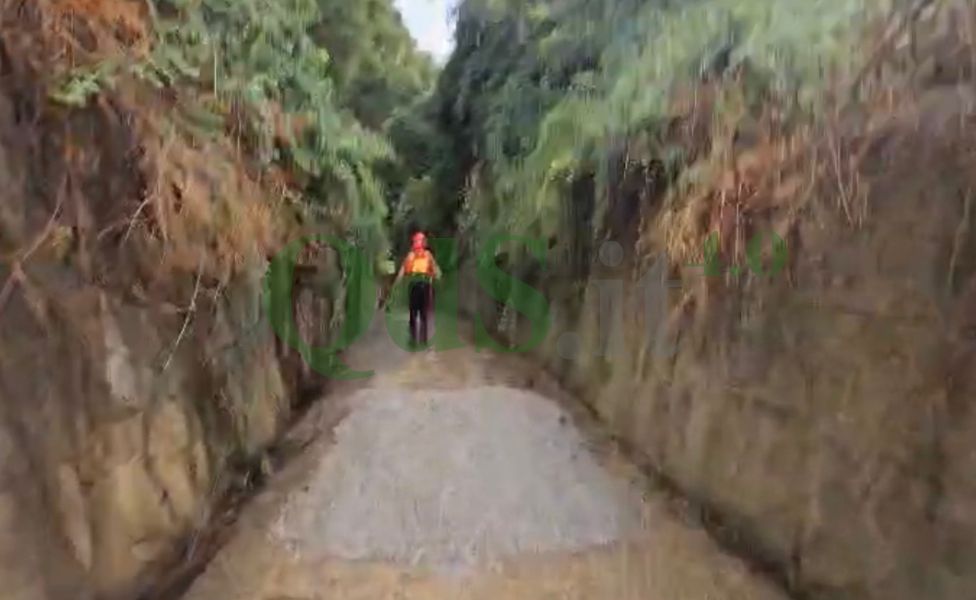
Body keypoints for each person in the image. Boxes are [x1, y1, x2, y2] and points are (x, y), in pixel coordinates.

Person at [392, 231, 441, 347]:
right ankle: (423, 341)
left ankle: (413, 340)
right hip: (424, 287)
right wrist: (438, 279)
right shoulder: (427, 255)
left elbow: (402, 272)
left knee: (414, 314)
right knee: (423, 314)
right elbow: (436, 271)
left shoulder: (411, 255)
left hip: (414, 287)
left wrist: (395, 285)